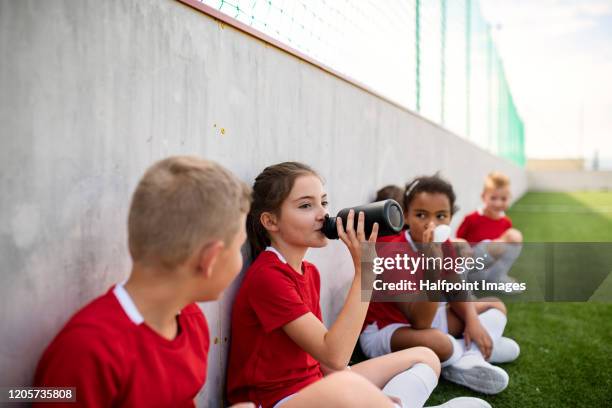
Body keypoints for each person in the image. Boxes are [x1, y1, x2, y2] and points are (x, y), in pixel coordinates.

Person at [227, 162, 491, 408]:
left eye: (324, 202)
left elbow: (326, 362)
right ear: (270, 221)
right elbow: (335, 354)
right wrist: (364, 273)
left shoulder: (310, 272)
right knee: (345, 383)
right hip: (276, 401)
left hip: (316, 386)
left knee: (425, 357)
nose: (323, 214)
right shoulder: (268, 276)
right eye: (306, 206)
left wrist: (366, 394)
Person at [34, 156, 253, 407]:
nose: (240, 259)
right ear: (210, 258)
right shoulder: (85, 352)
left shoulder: (191, 323)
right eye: (239, 247)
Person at [360, 175, 520, 395]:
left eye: (441, 216)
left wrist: (472, 321)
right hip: (386, 329)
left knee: (494, 305)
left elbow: (455, 289)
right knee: (438, 341)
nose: (431, 224)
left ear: (451, 217)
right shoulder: (392, 250)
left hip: (425, 317)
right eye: (421, 215)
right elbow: (421, 322)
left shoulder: (444, 244)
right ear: (406, 215)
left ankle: (472, 356)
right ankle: (463, 358)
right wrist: (432, 265)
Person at [456, 171, 523, 285]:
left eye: (503, 199)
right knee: (497, 245)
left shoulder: (506, 222)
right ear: (483, 197)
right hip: (472, 268)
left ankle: (497, 278)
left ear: (509, 198)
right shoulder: (471, 219)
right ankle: (464, 283)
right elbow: (459, 243)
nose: (498, 203)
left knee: (514, 236)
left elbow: (505, 251)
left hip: (491, 269)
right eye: (493, 198)